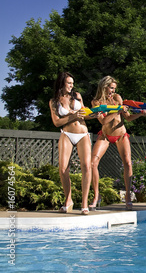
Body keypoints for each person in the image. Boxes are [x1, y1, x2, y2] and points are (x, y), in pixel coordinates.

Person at [89, 76, 146, 211]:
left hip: (121, 135)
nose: (112, 91)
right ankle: (96, 196)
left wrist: (141, 113)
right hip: (105, 135)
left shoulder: (117, 98)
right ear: (104, 86)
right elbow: (103, 121)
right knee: (93, 163)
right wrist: (118, 110)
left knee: (128, 163)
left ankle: (128, 196)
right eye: (111, 88)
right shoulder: (96, 102)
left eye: (114, 88)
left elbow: (127, 117)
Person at [49, 72, 92, 215]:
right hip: (67, 133)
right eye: (69, 83)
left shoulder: (77, 96)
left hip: (82, 133)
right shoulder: (54, 101)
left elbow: (85, 113)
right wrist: (73, 115)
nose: (72, 86)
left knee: (86, 166)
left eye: (72, 83)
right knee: (62, 169)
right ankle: (68, 200)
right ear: (62, 83)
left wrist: (94, 114)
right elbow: (56, 122)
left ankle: (84, 203)